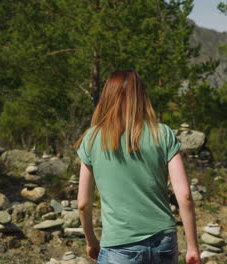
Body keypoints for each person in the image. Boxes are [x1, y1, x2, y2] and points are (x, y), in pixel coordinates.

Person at [75, 70, 201, 264]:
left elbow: (83, 204)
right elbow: (184, 195)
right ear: (141, 96)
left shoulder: (91, 139)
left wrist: (91, 240)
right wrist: (192, 247)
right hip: (163, 243)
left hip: (119, 247)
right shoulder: (163, 134)